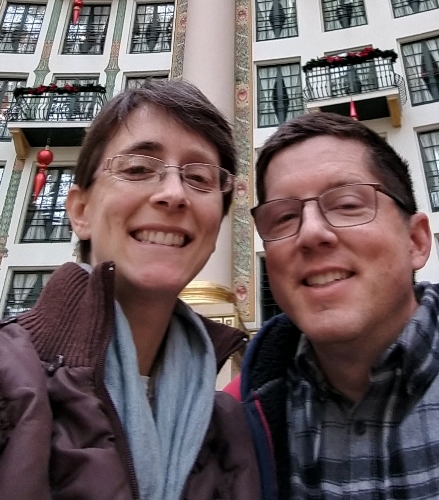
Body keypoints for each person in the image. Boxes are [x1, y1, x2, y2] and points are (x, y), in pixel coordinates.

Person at [0, 80, 260, 500]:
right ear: (80, 211)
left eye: (199, 178)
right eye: (138, 169)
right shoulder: (9, 381)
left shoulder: (231, 430)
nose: (174, 194)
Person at [231, 113, 439, 500]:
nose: (311, 233)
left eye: (347, 204)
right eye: (284, 217)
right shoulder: (234, 421)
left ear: (416, 241)